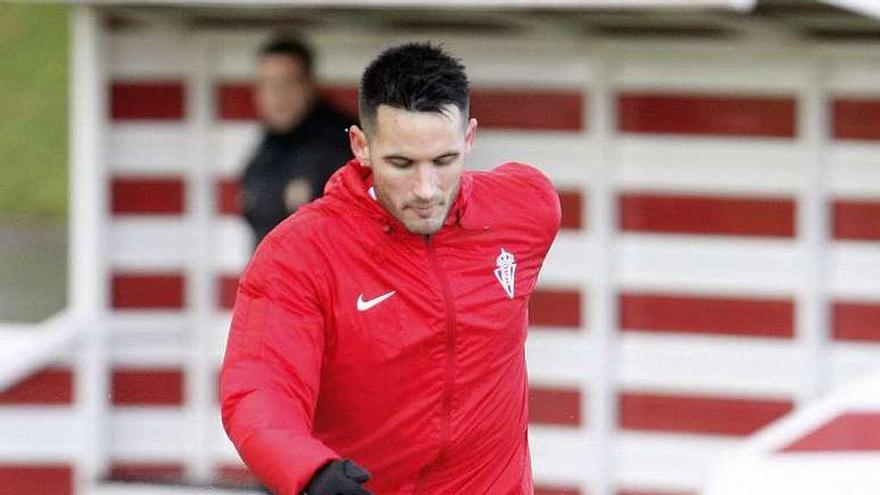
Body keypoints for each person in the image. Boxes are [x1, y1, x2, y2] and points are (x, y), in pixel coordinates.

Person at [220, 42, 561, 495]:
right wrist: (309, 470)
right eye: (402, 163)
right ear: (361, 146)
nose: (425, 189)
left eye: (443, 161)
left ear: (469, 139)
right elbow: (258, 389)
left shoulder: (525, 208)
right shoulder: (299, 254)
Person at [239, 37, 355, 246]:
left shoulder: (345, 143)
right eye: (267, 85)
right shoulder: (265, 148)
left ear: (309, 85)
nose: (277, 96)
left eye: (286, 83)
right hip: (272, 275)